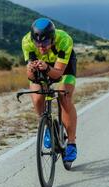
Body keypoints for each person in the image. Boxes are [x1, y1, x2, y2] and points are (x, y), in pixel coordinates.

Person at [22, 18, 77, 163]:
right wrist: (31, 70)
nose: (41, 47)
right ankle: (46, 126)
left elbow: (58, 74)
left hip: (63, 67)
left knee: (64, 97)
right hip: (42, 66)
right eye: (37, 43)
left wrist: (47, 68)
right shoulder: (27, 41)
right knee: (38, 97)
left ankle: (71, 143)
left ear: (52, 39)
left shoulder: (64, 40)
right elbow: (31, 77)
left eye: (45, 43)